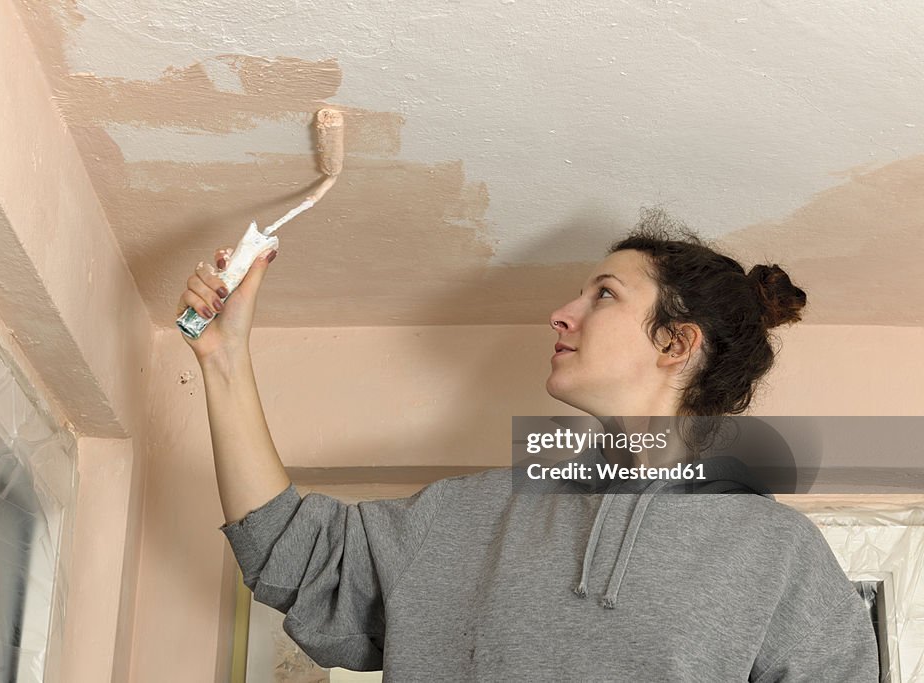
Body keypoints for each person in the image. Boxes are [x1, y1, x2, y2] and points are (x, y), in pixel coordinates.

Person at [178, 208, 880, 681]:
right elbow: (287, 549)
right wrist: (223, 356)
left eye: (603, 294)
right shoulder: (467, 514)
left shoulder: (776, 555)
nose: (561, 313)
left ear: (675, 342)